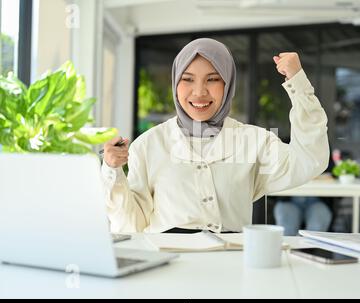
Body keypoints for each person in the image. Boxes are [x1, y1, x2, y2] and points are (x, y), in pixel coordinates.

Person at [101, 38, 329, 233]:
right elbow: (131, 225)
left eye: (212, 79)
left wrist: (298, 82)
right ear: (175, 83)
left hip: (233, 272)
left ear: (228, 84)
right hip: (170, 274)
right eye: (187, 79)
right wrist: (112, 172)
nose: (199, 92)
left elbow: (309, 160)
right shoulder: (148, 145)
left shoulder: (254, 142)